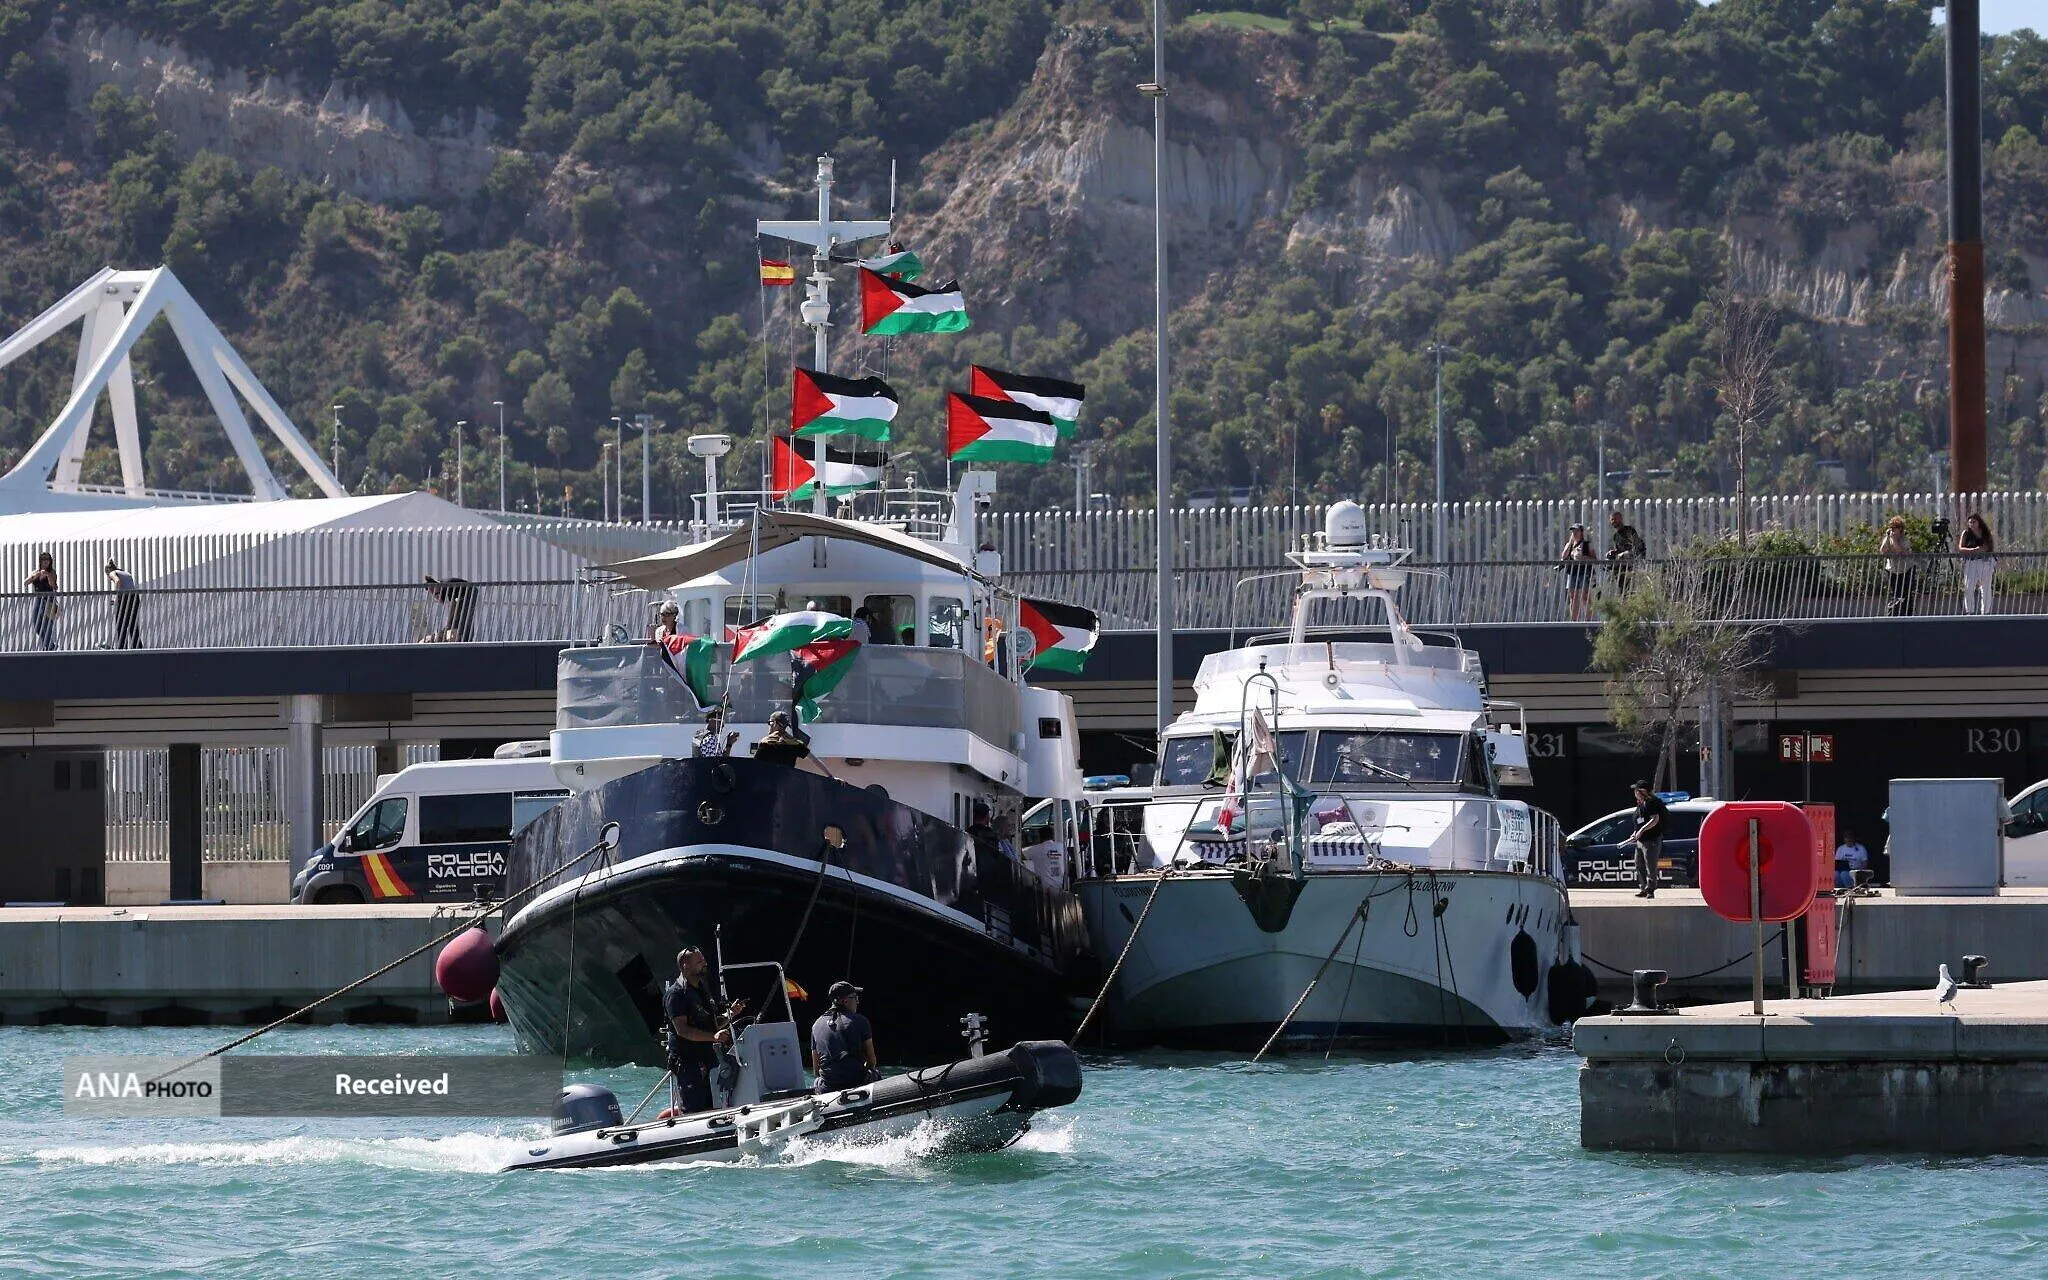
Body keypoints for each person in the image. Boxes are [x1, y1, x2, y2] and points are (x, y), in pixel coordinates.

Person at [664, 945, 746, 1115]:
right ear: (685, 966)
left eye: (703, 960)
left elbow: (712, 1023)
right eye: (699, 961)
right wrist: (714, 1036)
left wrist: (731, 1013)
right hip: (689, 1064)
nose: (705, 963)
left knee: (714, 1102)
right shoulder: (676, 994)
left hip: (709, 1060)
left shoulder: (702, 989)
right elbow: (683, 1030)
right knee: (695, 1108)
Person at [809, 980, 878, 1091]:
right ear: (845, 1001)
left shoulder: (816, 1025)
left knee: (817, 1081)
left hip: (828, 1087)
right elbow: (872, 1061)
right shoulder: (861, 1021)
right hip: (857, 1082)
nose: (858, 1001)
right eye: (855, 998)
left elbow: (816, 1070)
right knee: (875, 1073)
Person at [1628, 780, 1667, 899]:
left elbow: (1655, 819)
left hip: (1651, 840)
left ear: (1642, 791)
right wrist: (1635, 833)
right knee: (1639, 865)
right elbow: (1640, 821)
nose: (1634, 792)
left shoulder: (1651, 802)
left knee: (1650, 865)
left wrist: (1642, 830)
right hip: (1640, 841)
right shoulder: (1640, 804)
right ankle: (1643, 888)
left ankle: (1650, 889)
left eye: (1636, 790)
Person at [1958, 512, 1995, 615]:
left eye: (1974, 522)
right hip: (1971, 562)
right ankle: (1970, 611)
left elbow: (1986, 547)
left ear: (1979, 522)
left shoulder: (1985, 533)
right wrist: (1973, 550)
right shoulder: (1966, 533)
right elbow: (1961, 548)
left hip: (1984, 562)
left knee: (1985, 587)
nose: (1972, 524)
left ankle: (1985, 612)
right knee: (1968, 587)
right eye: (1970, 522)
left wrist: (1978, 550)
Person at [1559, 523, 1596, 620]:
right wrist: (1570, 543)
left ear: (1581, 532)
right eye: (1573, 531)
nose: (1574, 533)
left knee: (1585, 596)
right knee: (1573, 596)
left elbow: (1594, 558)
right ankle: (1574, 620)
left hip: (1584, 572)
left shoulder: (1587, 544)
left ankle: (1589, 620)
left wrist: (1584, 558)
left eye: (1577, 531)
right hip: (1572, 572)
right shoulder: (1569, 545)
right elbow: (1563, 556)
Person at [423, 575, 476, 641]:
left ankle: (465, 638)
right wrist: (437, 596)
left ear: (436, 585)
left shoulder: (447, 586)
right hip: (463, 595)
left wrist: (449, 623)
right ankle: (462, 636)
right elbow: (446, 603)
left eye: (433, 590)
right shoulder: (442, 588)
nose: (434, 593)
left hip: (469, 593)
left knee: (462, 617)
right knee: (458, 618)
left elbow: (453, 606)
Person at [1879, 516, 1914, 617]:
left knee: (1906, 594)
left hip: (1906, 569)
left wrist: (1894, 540)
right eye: (1892, 527)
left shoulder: (1905, 539)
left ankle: (1907, 615)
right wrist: (1888, 537)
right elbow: (1882, 550)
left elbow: (1899, 551)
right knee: (1895, 594)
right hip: (1893, 569)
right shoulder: (1889, 538)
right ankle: (1894, 615)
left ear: (1901, 529)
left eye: (1896, 527)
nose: (1893, 529)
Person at [1606, 511, 1646, 593]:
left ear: (1621, 519)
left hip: (1633, 561)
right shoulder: (1616, 536)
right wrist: (1613, 552)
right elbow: (1619, 550)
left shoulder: (1629, 530)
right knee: (1623, 589)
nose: (1613, 521)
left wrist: (1625, 553)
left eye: (1615, 519)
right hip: (1622, 565)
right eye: (1612, 519)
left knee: (1630, 588)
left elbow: (1637, 546)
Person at [25, 552, 57, 650]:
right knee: (37, 625)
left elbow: (53, 585)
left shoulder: (52, 572)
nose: (45, 561)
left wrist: (47, 575)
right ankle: (50, 645)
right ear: (40, 561)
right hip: (38, 599)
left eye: (47, 559)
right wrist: (37, 575)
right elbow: (26, 582)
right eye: (43, 559)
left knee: (47, 625)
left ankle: (48, 647)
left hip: (49, 600)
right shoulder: (36, 572)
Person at [104, 560, 140, 649]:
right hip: (135, 598)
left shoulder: (112, 573)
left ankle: (122, 648)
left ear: (108, 571)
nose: (109, 578)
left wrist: (114, 598)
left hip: (125, 598)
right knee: (132, 624)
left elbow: (118, 582)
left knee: (121, 624)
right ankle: (138, 647)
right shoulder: (125, 573)